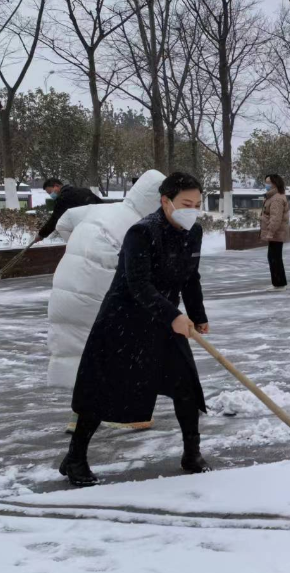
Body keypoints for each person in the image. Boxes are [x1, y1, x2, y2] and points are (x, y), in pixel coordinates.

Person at [59, 172, 211, 487]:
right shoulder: (141, 233)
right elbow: (138, 285)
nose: (192, 210)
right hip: (123, 321)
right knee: (102, 390)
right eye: (186, 203)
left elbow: (190, 277)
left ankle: (192, 453)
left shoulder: (193, 232)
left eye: (197, 204)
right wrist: (173, 315)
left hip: (164, 320)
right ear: (165, 201)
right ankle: (75, 457)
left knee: (185, 383)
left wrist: (197, 315)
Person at [48, 169, 166, 432]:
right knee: (120, 350)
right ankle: (127, 414)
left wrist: (80, 247)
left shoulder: (99, 209)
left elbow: (63, 222)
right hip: (101, 289)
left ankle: (78, 416)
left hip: (66, 284)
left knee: (79, 353)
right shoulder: (141, 226)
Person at [36, 178, 107, 242]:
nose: (51, 195)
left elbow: (54, 220)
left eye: (50, 192)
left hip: (86, 232)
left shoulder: (63, 199)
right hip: (100, 227)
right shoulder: (84, 191)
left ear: (56, 186)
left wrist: (41, 234)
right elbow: (101, 205)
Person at [261, 174, 290, 290]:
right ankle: (278, 282)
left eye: (268, 183)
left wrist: (270, 232)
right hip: (275, 233)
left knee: (275, 258)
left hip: (276, 233)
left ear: (274, 184)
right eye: (266, 182)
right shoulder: (272, 197)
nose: (266, 185)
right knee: (274, 257)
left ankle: (279, 282)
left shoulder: (276, 198)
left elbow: (276, 218)